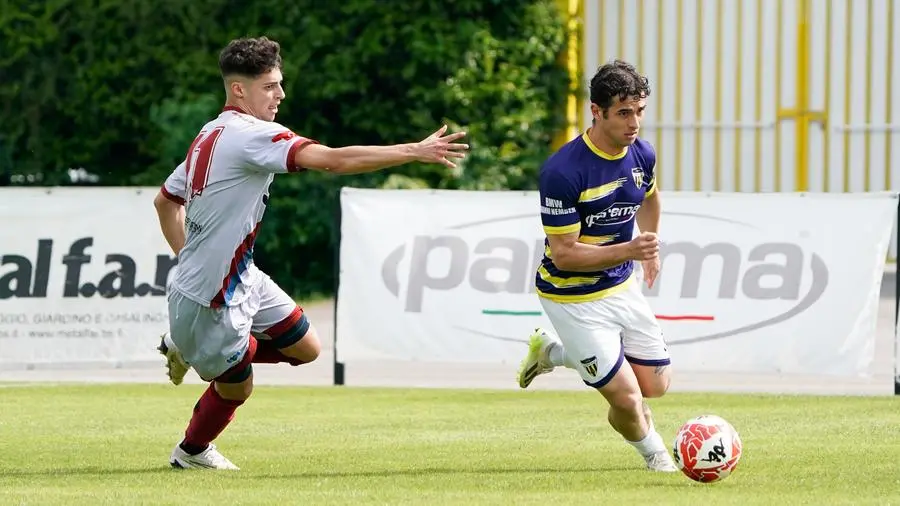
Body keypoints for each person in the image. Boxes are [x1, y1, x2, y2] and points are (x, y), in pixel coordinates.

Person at [153, 36, 468, 470]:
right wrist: (413, 151)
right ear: (239, 90)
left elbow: (165, 202)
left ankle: (192, 347)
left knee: (307, 348)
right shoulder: (251, 136)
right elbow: (334, 160)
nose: (280, 94)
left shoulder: (210, 131)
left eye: (280, 84)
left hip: (238, 278)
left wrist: (186, 259)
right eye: (270, 86)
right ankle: (191, 451)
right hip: (211, 300)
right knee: (237, 390)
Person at [515, 59, 675, 472]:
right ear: (596, 111)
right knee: (626, 399)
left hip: (621, 286)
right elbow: (565, 252)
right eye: (623, 113)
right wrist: (631, 251)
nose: (634, 122)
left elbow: (650, 199)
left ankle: (551, 353)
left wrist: (651, 248)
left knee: (655, 387)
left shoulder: (642, 154)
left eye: (639, 111)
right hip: (570, 296)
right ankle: (656, 455)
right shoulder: (563, 171)